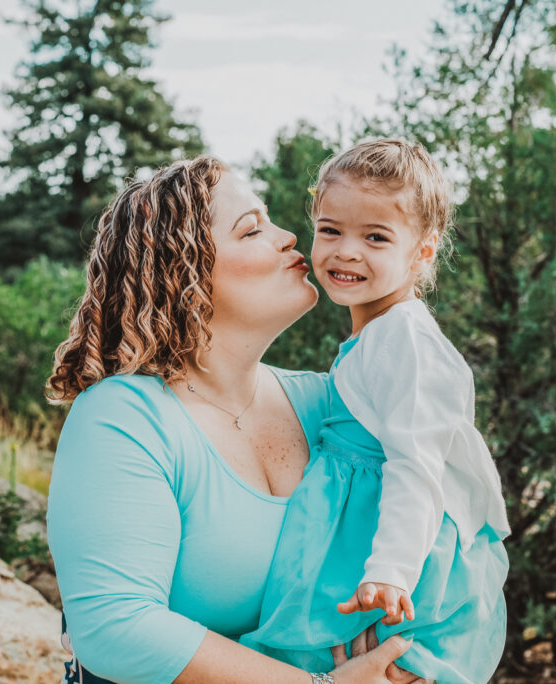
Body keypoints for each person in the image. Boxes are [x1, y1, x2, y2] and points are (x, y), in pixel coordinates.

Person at [45, 155, 430, 684]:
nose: (291, 236)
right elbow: (115, 627)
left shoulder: (331, 404)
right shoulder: (125, 416)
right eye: (252, 229)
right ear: (185, 273)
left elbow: (433, 499)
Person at [240, 140, 510, 683]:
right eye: (331, 229)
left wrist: (392, 570)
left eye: (376, 237)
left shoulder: (407, 339)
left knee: (339, 663)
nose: (346, 251)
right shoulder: (379, 334)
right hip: (357, 541)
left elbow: (417, 465)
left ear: (423, 251)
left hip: (394, 558)